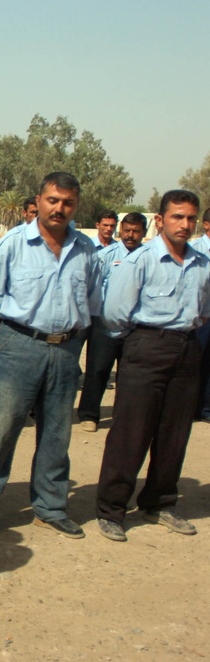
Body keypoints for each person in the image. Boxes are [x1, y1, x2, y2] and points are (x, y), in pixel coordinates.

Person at [0, 172, 100, 543]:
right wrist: (24, 329)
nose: (59, 208)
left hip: (67, 351)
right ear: (39, 200)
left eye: (68, 203)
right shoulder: (12, 244)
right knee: (0, 433)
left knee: (57, 434)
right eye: (53, 200)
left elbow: (90, 304)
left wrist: (64, 337)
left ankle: (50, 508)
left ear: (76, 206)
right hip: (18, 347)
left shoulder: (86, 250)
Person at [94, 190, 209, 542]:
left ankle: (160, 502)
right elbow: (115, 312)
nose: (185, 225)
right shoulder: (140, 260)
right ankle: (111, 509)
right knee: (131, 431)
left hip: (187, 349)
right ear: (160, 220)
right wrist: (142, 341)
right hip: (145, 347)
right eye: (177, 217)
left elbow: (203, 311)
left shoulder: (202, 264)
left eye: (190, 218)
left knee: (175, 432)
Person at [77, 212, 147, 432]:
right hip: (105, 325)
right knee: (97, 370)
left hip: (136, 329)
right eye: (127, 230)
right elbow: (93, 288)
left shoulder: (149, 257)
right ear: (121, 230)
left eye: (136, 231)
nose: (130, 235)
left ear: (143, 232)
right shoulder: (107, 255)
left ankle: (123, 416)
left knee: (130, 376)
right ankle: (89, 414)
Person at [190, 208, 210, 421]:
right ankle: (188, 407)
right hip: (200, 316)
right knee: (193, 363)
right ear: (206, 224)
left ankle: (205, 408)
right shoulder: (195, 249)